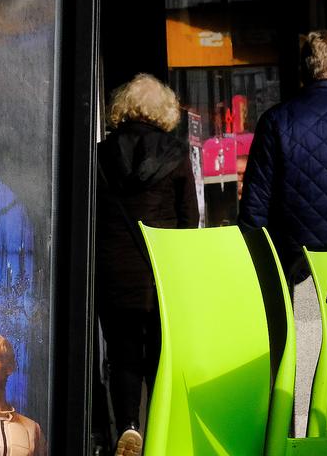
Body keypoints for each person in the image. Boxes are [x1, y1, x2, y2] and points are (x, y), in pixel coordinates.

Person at [95, 73, 198, 456]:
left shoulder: (102, 155)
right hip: (161, 274)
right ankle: (159, 430)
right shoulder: (175, 154)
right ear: (164, 110)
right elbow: (190, 220)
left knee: (122, 356)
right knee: (161, 355)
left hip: (114, 272)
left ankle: (128, 426)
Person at [240, 30, 327, 438]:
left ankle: (302, 443)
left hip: (301, 273)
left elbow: (254, 215)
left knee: (306, 376)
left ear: (304, 69)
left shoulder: (277, 122)